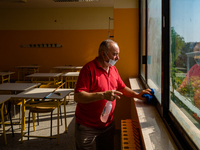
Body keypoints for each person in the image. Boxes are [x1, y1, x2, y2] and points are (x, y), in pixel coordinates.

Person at [74, 39, 151, 150]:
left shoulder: (113, 69)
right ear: (103, 54)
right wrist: (103, 95)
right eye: (115, 54)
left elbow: (122, 88)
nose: (118, 58)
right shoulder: (88, 69)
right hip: (87, 126)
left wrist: (137, 95)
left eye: (118, 54)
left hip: (107, 125)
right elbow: (78, 96)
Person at [176, 43, 200, 120]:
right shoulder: (194, 69)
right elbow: (182, 89)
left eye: (198, 53)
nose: (196, 57)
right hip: (197, 116)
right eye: (194, 54)